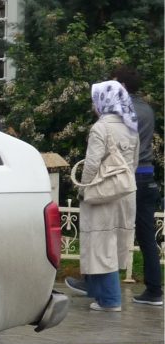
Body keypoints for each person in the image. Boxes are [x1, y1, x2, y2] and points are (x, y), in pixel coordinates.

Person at [65, 81, 139, 311]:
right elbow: (133, 163)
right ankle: (98, 294)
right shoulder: (131, 125)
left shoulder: (100, 128)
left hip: (103, 193)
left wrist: (84, 189)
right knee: (114, 243)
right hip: (125, 192)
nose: (93, 104)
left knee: (101, 244)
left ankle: (110, 300)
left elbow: (91, 165)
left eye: (95, 99)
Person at [113, 65, 163, 306]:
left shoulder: (121, 110)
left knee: (108, 228)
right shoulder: (147, 109)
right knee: (146, 237)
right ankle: (154, 290)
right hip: (147, 174)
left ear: (122, 85)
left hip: (127, 174)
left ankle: (97, 282)